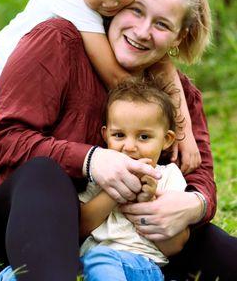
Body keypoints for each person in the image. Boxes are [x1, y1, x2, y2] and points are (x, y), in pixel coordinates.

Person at [0, 0, 236, 280]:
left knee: (219, 247)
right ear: (114, 7)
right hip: (25, 217)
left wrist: (193, 205)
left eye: (161, 25)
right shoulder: (58, 41)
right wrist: (92, 159)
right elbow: (4, 140)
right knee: (44, 175)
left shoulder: (179, 93)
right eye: (136, 11)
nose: (142, 31)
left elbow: (200, 174)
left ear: (178, 37)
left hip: (124, 236)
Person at [0, 0, 200, 175]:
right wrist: (160, 112)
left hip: (51, 81)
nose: (109, 4)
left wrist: (186, 130)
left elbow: (164, 64)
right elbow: (116, 78)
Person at [80, 78, 188, 281]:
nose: (129, 146)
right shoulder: (102, 173)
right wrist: (116, 190)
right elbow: (81, 227)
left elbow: (175, 246)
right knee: (16, 272)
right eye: (119, 135)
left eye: (144, 137)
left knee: (101, 260)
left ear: (166, 139)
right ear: (105, 135)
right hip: (89, 261)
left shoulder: (168, 177)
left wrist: (149, 201)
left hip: (141, 265)